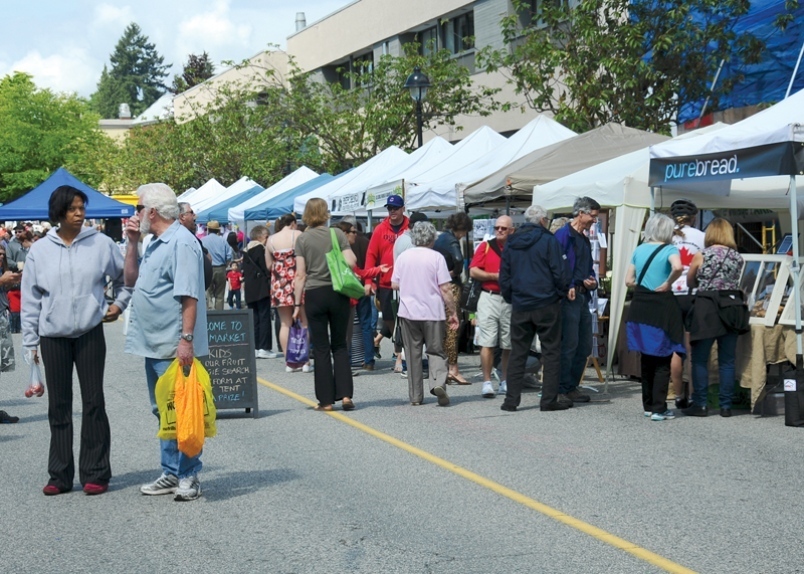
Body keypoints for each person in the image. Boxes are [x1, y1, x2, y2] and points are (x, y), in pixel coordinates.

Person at [21, 184, 131, 496]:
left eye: (82, 207)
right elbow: (30, 299)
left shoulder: (101, 243)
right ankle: (59, 475)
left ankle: (95, 472)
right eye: (72, 209)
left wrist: (118, 305)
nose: (79, 213)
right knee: (59, 405)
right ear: (59, 213)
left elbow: (125, 279)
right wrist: (30, 343)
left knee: (94, 401)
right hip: (52, 336)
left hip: (89, 332)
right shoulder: (40, 250)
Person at [124, 183, 208, 501]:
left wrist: (186, 339)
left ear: (153, 211)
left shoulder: (181, 242)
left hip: (172, 344)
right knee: (164, 411)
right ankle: (171, 471)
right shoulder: (155, 242)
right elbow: (130, 280)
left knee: (183, 411)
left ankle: (188, 475)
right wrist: (132, 242)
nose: (136, 214)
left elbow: (189, 295)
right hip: (154, 342)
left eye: (138, 208)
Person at [500, 205, 570, 412]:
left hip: (521, 303)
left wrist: (511, 297)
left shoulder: (512, 242)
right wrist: (559, 294)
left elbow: (504, 274)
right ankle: (548, 400)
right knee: (551, 352)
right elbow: (560, 272)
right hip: (546, 302)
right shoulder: (549, 240)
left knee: (518, 352)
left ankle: (511, 400)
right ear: (542, 220)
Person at [293, 198, 356, 412]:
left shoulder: (302, 239)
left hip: (315, 293)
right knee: (340, 345)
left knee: (321, 348)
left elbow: (300, 275)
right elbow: (351, 261)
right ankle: (346, 395)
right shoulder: (336, 234)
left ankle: (326, 401)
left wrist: (296, 304)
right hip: (338, 292)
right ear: (326, 213)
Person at [625, 213, 684, 421]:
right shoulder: (670, 249)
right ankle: (659, 408)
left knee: (647, 357)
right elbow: (678, 267)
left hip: (640, 306)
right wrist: (668, 282)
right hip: (661, 307)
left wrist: (644, 284)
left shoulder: (639, 249)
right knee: (662, 358)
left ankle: (648, 405)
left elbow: (628, 280)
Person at [683, 218, 745, 418]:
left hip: (706, 307)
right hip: (731, 307)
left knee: (700, 358)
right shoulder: (737, 257)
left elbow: (690, 280)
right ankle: (726, 405)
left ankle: (700, 403)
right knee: (727, 360)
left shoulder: (702, 254)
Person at [392, 222, 459, 406]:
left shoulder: (404, 257)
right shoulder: (436, 257)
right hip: (432, 311)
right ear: (432, 238)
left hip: (408, 311)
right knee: (436, 351)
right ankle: (437, 383)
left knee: (412, 354)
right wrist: (453, 312)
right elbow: (445, 288)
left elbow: (394, 284)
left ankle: (415, 396)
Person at [554, 196, 600, 404]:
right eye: (593, 216)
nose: (594, 220)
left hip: (582, 297)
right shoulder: (563, 236)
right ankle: (561, 388)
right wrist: (570, 284)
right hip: (568, 297)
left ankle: (571, 386)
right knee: (569, 344)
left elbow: (588, 267)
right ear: (581, 213)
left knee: (584, 345)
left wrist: (592, 281)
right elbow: (556, 266)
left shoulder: (583, 239)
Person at [469, 215, 514, 397]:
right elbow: (473, 270)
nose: (499, 231)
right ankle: (487, 382)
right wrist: (494, 276)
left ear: (512, 231)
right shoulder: (486, 246)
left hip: (509, 299)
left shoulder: (516, 248)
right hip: (488, 296)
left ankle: (505, 380)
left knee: (508, 342)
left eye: (504, 228)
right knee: (487, 342)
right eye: (497, 228)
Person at [365, 194, 409, 372]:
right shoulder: (380, 229)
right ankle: (398, 349)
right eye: (390, 208)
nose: (392, 211)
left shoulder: (410, 227)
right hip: (386, 282)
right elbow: (371, 255)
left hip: (408, 282)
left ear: (403, 209)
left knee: (406, 319)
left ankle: (401, 354)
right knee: (390, 319)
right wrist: (369, 279)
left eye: (395, 208)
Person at [668, 199, 705, 407]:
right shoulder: (702, 237)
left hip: (672, 293)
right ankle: (692, 395)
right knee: (692, 349)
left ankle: (678, 395)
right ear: (694, 217)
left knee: (675, 348)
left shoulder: (667, 236)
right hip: (693, 294)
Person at [433, 212, 472, 385]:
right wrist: (454, 272)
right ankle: (453, 369)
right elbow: (458, 259)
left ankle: (443, 368)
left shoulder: (440, 238)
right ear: (461, 228)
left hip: (437, 286)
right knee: (453, 327)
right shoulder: (452, 240)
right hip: (451, 286)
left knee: (442, 328)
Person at [267, 213, 309, 371]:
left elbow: (268, 265)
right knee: (304, 322)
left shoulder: (271, 239)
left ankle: (289, 362)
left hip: (279, 283)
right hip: (297, 280)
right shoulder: (298, 235)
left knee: (285, 323)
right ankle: (305, 362)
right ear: (293, 223)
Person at [242, 225, 279, 359]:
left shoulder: (246, 251)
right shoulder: (260, 249)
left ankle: (256, 347)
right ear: (262, 237)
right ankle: (264, 347)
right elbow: (266, 267)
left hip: (250, 289)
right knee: (264, 317)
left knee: (254, 318)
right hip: (262, 288)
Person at [0, 244, 23, 424]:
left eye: (2, 254)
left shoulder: (3, 271)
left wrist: (10, 282)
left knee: (1, 366)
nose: (1, 257)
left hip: (2, 318)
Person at [178, 202, 213, 291]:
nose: (195, 215)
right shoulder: (181, 237)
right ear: (182, 216)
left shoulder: (190, 236)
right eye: (191, 212)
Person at [201, 220, 232, 310]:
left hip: (207, 268)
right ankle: (219, 314)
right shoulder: (223, 241)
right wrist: (226, 265)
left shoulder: (203, 240)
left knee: (208, 292)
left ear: (208, 230)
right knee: (220, 294)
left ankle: (209, 311)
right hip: (220, 268)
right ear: (218, 230)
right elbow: (229, 256)